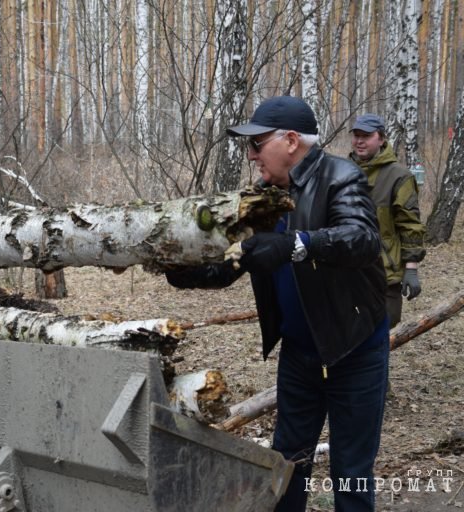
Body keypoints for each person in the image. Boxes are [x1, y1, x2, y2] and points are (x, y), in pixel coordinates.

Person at [165, 96, 389, 511]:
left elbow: (361, 240)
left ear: (290, 141)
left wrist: (296, 245)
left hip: (354, 350)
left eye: (257, 144)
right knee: (287, 461)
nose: (250, 155)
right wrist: (182, 268)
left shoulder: (342, 178)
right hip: (300, 355)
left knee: (351, 469)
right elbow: (233, 263)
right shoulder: (263, 197)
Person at [349, 113, 426, 327]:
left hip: (384, 271)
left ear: (381, 139)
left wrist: (410, 269)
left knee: (382, 329)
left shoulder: (399, 176)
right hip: (346, 269)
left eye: (366, 135)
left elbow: (410, 224)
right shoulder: (342, 171)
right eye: (356, 135)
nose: (359, 141)